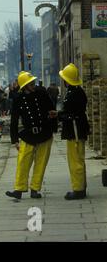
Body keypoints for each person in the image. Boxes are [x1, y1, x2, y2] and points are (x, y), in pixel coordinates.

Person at [6, 71, 56, 200]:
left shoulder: (42, 93)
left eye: (33, 82)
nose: (33, 85)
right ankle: (19, 189)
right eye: (30, 83)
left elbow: (52, 109)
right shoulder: (18, 99)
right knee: (23, 162)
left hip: (44, 133)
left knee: (41, 163)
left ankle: (35, 189)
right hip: (28, 135)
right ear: (24, 86)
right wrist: (14, 140)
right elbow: (14, 120)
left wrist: (53, 127)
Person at [57, 63, 90, 200]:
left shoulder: (73, 93)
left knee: (75, 160)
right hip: (77, 128)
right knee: (79, 159)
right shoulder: (77, 91)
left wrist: (59, 115)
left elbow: (70, 113)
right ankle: (81, 186)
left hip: (74, 130)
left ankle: (78, 189)